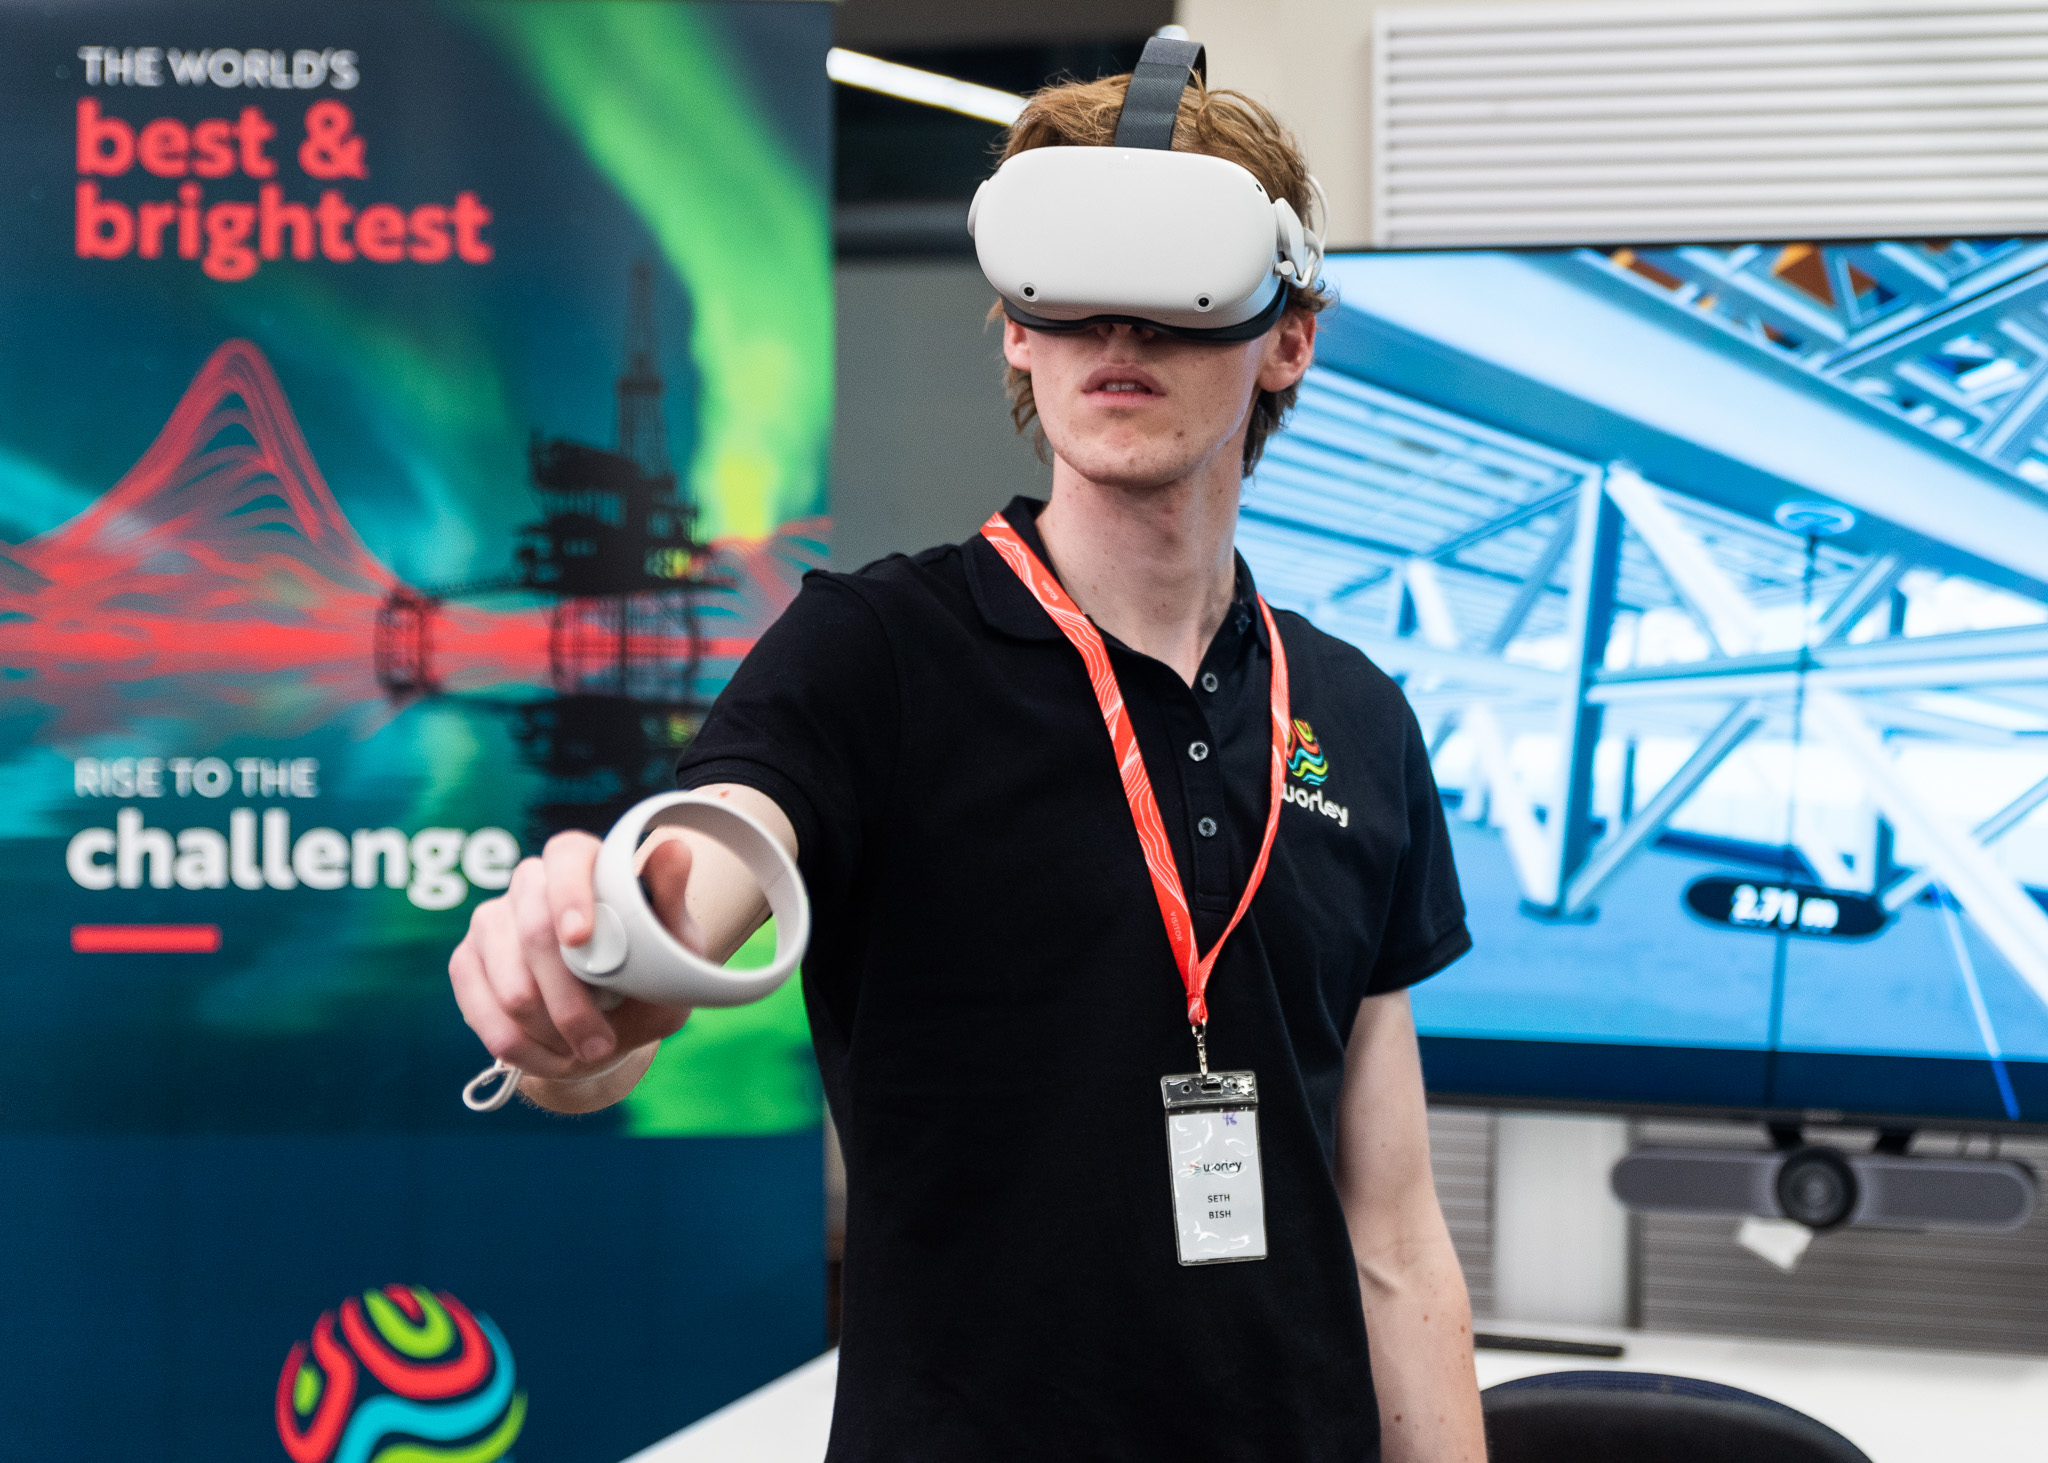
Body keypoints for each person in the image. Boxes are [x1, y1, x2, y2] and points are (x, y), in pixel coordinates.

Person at [449, 59, 1486, 1463]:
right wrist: (588, 970)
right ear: (1012, 328)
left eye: (1177, 278)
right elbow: (691, 891)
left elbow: (1395, 1236)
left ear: (1288, 337)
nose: (1116, 324)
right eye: (1066, 280)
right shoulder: (873, 655)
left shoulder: (1354, 715)